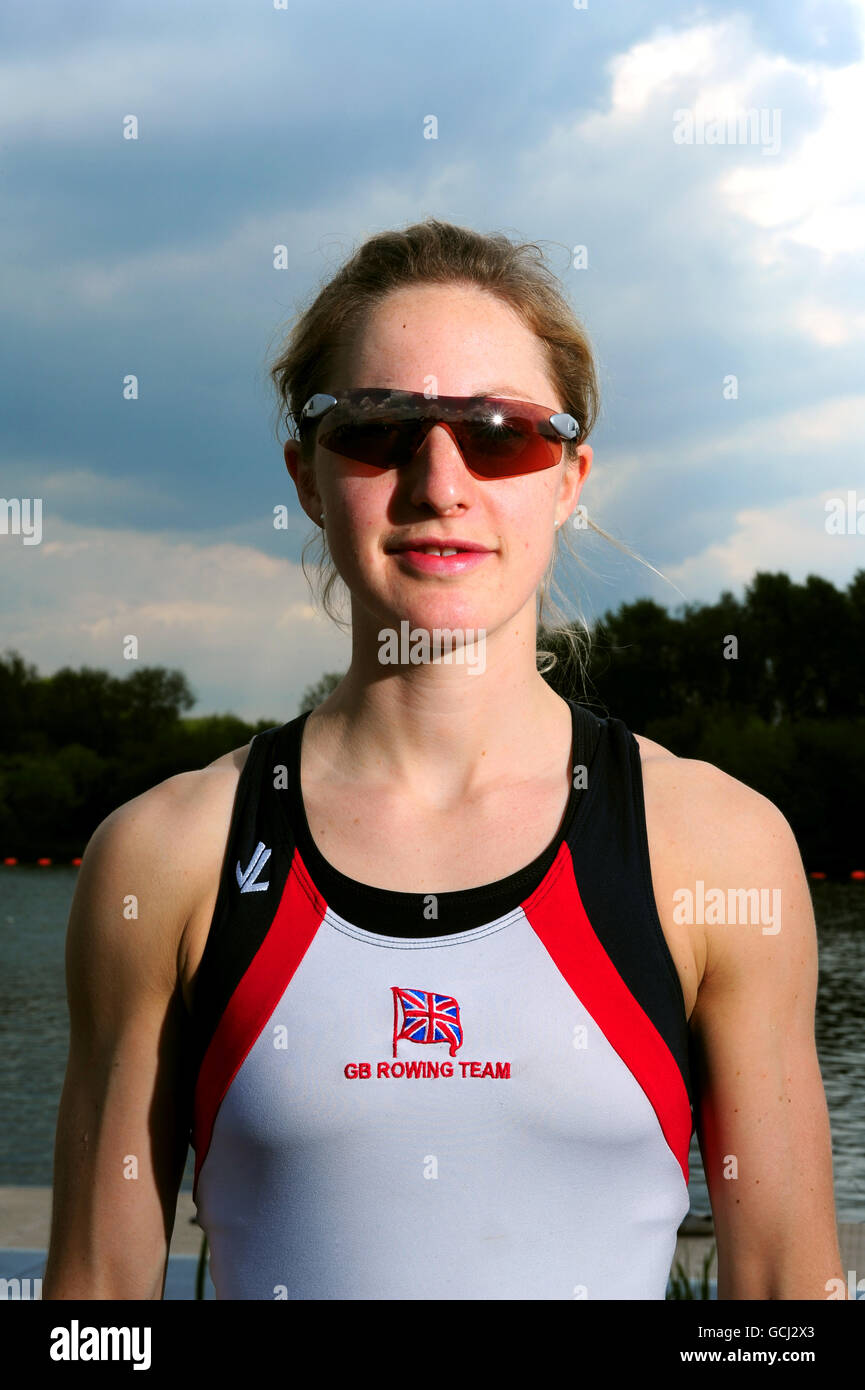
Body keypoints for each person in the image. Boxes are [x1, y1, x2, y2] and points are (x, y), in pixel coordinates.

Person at [44, 219, 844, 1301]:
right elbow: (93, 1309)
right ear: (309, 475)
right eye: (376, 429)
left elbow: (784, 1303)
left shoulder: (717, 849)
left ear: (566, 477)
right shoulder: (166, 856)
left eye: (499, 433)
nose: (439, 481)